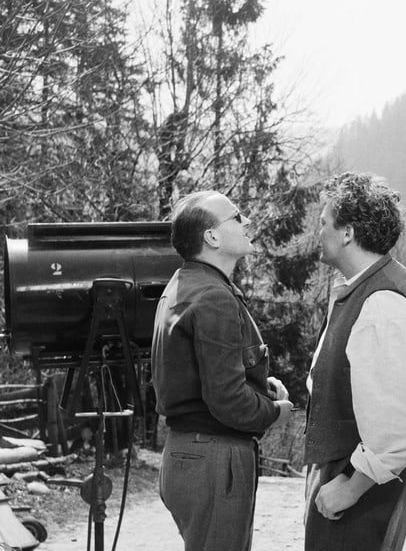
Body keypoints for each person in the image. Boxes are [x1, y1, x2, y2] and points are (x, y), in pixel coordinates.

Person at [151, 190, 293, 551]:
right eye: (237, 217)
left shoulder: (184, 284)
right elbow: (227, 399)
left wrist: (259, 383)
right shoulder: (213, 295)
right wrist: (275, 412)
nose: (246, 222)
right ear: (211, 237)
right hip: (214, 458)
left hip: (190, 454)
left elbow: (202, 373)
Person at [305, 172, 406, 551]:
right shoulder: (364, 289)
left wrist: (350, 487)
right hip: (340, 482)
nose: (320, 232)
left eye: (324, 223)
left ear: (347, 233)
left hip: (356, 498)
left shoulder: (383, 303)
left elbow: (398, 428)